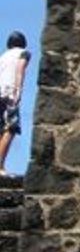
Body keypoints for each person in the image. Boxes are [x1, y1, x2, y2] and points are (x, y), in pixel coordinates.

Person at [0, 32, 31, 177]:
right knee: (10, 129)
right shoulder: (23, 53)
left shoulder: (3, 56)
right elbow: (20, 69)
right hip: (9, 95)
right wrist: (18, 91)